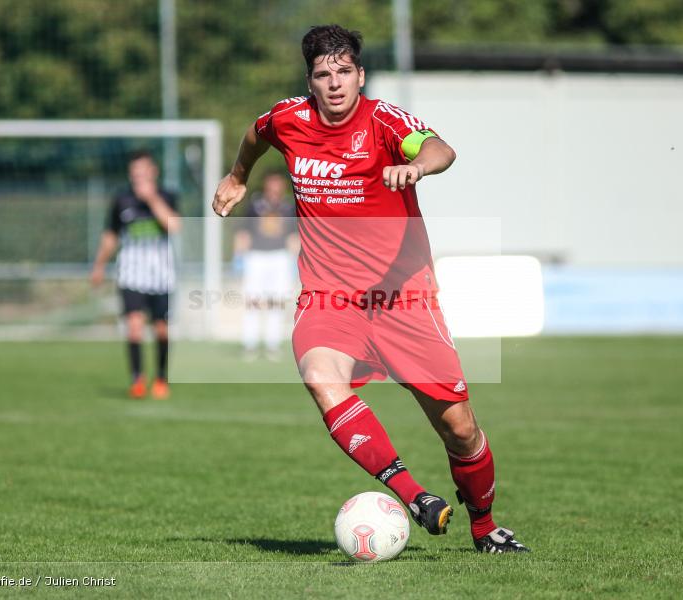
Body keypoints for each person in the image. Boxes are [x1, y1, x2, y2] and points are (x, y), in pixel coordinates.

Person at [212, 25, 528, 553]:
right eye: (323, 74)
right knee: (321, 377)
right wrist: (239, 175)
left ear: (360, 75)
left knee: (459, 428)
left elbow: (441, 149)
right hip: (329, 296)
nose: (334, 83)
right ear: (310, 82)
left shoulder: (385, 122)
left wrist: (416, 167)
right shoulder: (288, 118)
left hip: (404, 298)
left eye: (343, 72)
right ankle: (414, 496)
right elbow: (255, 134)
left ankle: (485, 526)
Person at [91, 150, 180, 400]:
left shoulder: (167, 196)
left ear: (153, 172)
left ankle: (161, 377)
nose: (138, 177)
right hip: (131, 274)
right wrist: (99, 265)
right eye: (135, 173)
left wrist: (151, 199)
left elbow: (174, 225)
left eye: (143, 171)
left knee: (161, 329)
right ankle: (137, 379)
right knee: (134, 327)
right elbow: (110, 236)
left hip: (161, 276)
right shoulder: (121, 200)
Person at [233, 171, 298, 361]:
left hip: (280, 257)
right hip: (256, 257)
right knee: (253, 301)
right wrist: (238, 257)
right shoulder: (255, 205)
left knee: (277, 302)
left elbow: (294, 236)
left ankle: (272, 344)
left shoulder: (288, 207)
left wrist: (295, 261)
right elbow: (243, 233)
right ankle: (250, 344)